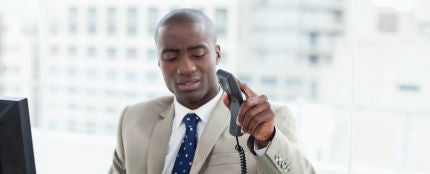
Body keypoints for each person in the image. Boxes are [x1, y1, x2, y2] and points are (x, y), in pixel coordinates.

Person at [109, 8, 315, 174]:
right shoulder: (133, 119)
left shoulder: (266, 122)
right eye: (171, 58)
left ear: (217, 55)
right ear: (159, 62)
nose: (186, 68)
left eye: (197, 54)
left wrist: (266, 139)